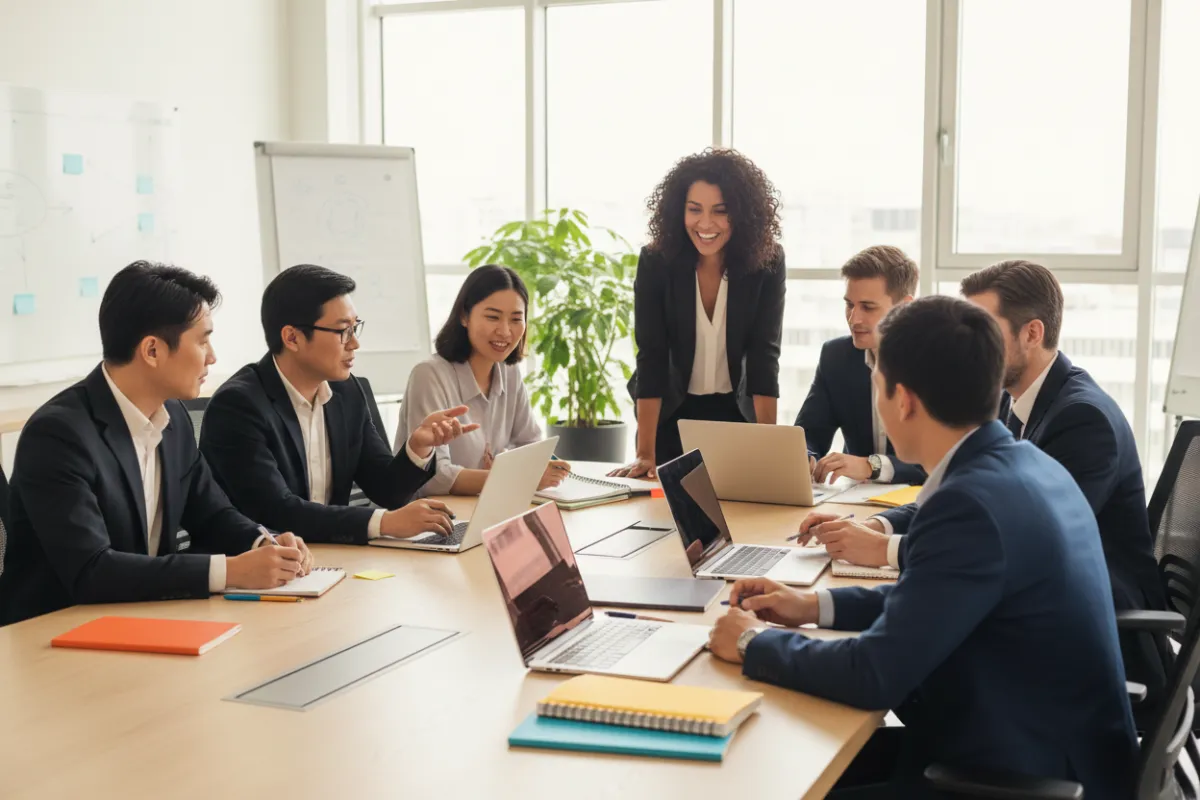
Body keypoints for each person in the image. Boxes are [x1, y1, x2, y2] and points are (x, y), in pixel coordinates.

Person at [709, 296, 1136, 798]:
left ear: (905, 400)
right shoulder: (1023, 464)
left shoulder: (969, 505)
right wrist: (810, 605)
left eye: (877, 384)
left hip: (1020, 775)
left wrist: (750, 642)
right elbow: (932, 600)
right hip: (1041, 746)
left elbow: (873, 674)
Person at [800, 259, 1166, 695]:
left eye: (983, 329)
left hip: (1085, 630)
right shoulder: (1015, 403)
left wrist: (885, 550)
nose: (970, 347)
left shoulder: (1083, 417)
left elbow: (1006, 540)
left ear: (1032, 333)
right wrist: (832, 582)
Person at [0, 262, 313, 626]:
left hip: (142, 617)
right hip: (54, 632)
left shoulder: (174, 419)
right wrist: (229, 571)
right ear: (152, 351)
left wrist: (265, 545)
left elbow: (212, 515)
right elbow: (91, 570)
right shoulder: (58, 435)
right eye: (203, 339)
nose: (212, 356)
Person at [199, 264, 478, 546]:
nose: (355, 343)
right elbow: (276, 511)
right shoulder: (238, 406)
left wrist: (419, 446)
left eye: (355, 327)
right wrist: (384, 522)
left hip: (330, 556)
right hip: (257, 569)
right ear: (292, 338)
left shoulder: (346, 391)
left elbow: (386, 490)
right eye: (343, 331)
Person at [610, 148, 786, 478]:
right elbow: (652, 356)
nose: (705, 224)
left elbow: (764, 354)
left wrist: (770, 446)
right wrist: (644, 452)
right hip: (672, 412)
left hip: (736, 415)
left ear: (743, 215)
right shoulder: (656, 261)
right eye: (694, 210)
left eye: (721, 211)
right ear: (680, 211)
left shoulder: (767, 263)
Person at [396, 264, 567, 496]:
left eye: (516, 319)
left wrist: (547, 464)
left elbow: (531, 445)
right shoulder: (429, 375)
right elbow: (434, 477)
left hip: (484, 508)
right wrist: (519, 478)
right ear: (464, 316)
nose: (505, 331)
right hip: (430, 518)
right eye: (493, 317)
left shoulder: (510, 372)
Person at [795, 245, 924, 484]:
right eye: (849, 305)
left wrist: (870, 466)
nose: (854, 319)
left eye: (868, 307)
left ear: (904, 307)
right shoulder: (836, 357)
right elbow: (808, 434)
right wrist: (805, 458)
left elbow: (945, 459)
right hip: (855, 501)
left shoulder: (939, 360)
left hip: (920, 504)